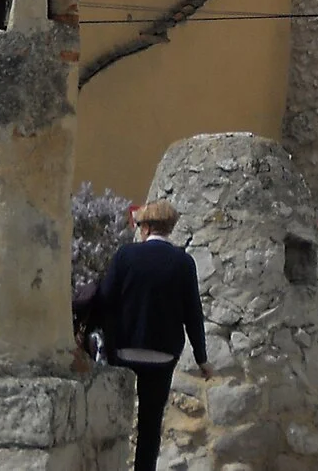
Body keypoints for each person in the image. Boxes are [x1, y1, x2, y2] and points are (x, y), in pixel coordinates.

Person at [97, 199, 211, 471]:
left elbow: (105, 299)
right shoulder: (183, 262)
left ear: (146, 227)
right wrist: (202, 358)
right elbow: (193, 314)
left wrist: (102, 341)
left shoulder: (126, 255)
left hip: (124, 349)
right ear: (169, 228)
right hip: (163, 353)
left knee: (116, 417)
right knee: (150, 424)